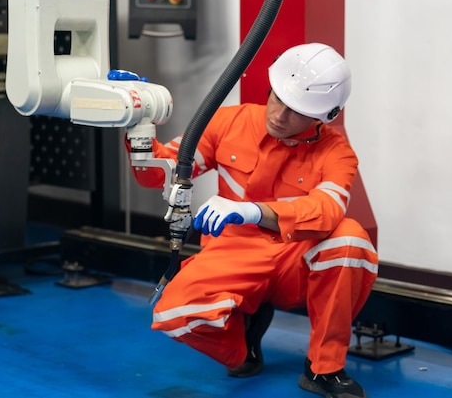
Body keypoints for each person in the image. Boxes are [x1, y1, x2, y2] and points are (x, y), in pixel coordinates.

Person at [126, 43, 379, 398]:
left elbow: (329, 210)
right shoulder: (229, 121)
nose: (279, 115)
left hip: (294, 258)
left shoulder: (337, 153)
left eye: (297, 111)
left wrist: (257, 212)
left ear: (326, 116)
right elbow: (162, 172)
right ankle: (244, 344)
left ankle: (324, 368)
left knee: (349, 239)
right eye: (277, 98)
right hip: (234, 253)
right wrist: (138, 129)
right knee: (172, 314)